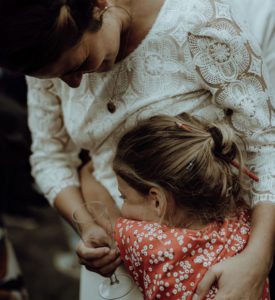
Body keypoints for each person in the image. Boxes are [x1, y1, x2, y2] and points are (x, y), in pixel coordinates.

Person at [0, 0, 274, 299]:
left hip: (221, 253)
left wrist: (257, 260)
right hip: (118, 255)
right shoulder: (49, 49)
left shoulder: (200, 25)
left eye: (79, 64)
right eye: (58, 77)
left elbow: (267, 146)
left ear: (98, 5)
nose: (73, 83)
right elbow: (49, 157)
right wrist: (88, 226)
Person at [109, 113, 270, 299]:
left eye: (124, 197)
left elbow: (116, 229)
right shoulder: (245, 219)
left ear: (157, 201)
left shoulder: (144, 243)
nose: (123, 208)